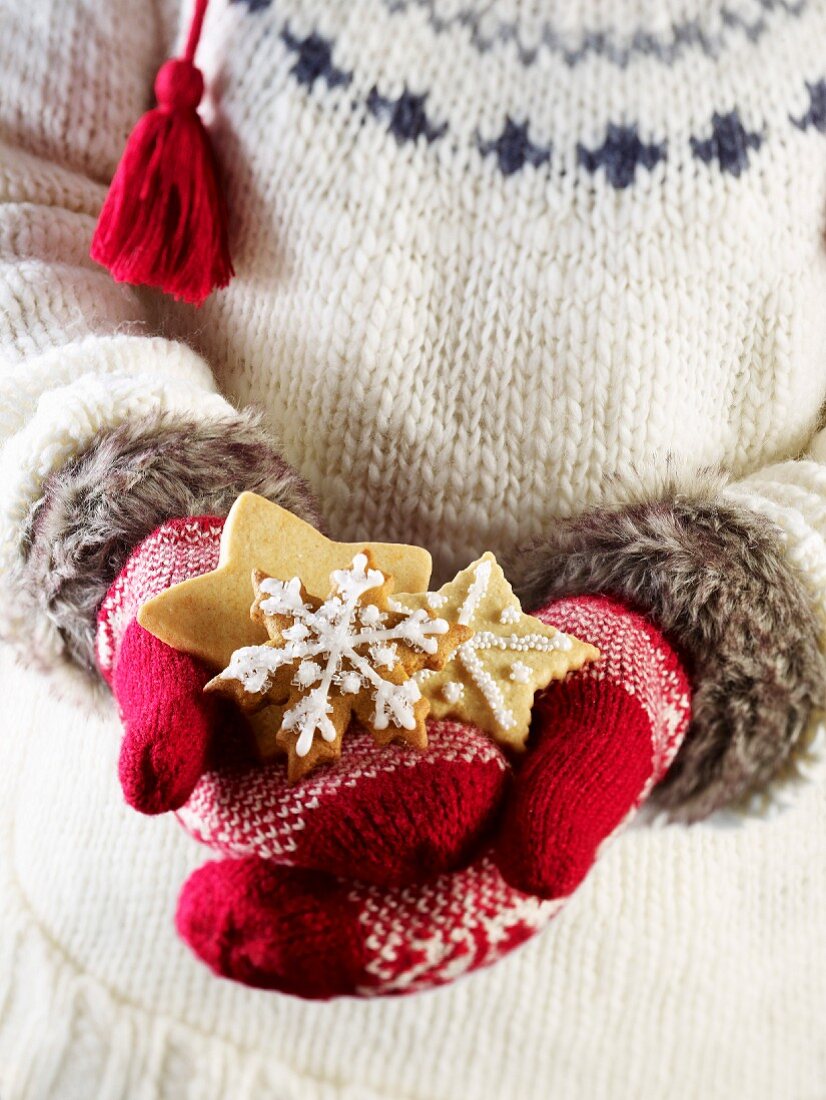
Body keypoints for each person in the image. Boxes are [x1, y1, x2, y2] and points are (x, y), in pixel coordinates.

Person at [2, 0, 826, 1091]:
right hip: (121, 965)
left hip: (665, 1012)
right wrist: (126, 519)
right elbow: (25, 177)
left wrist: (715, 625)